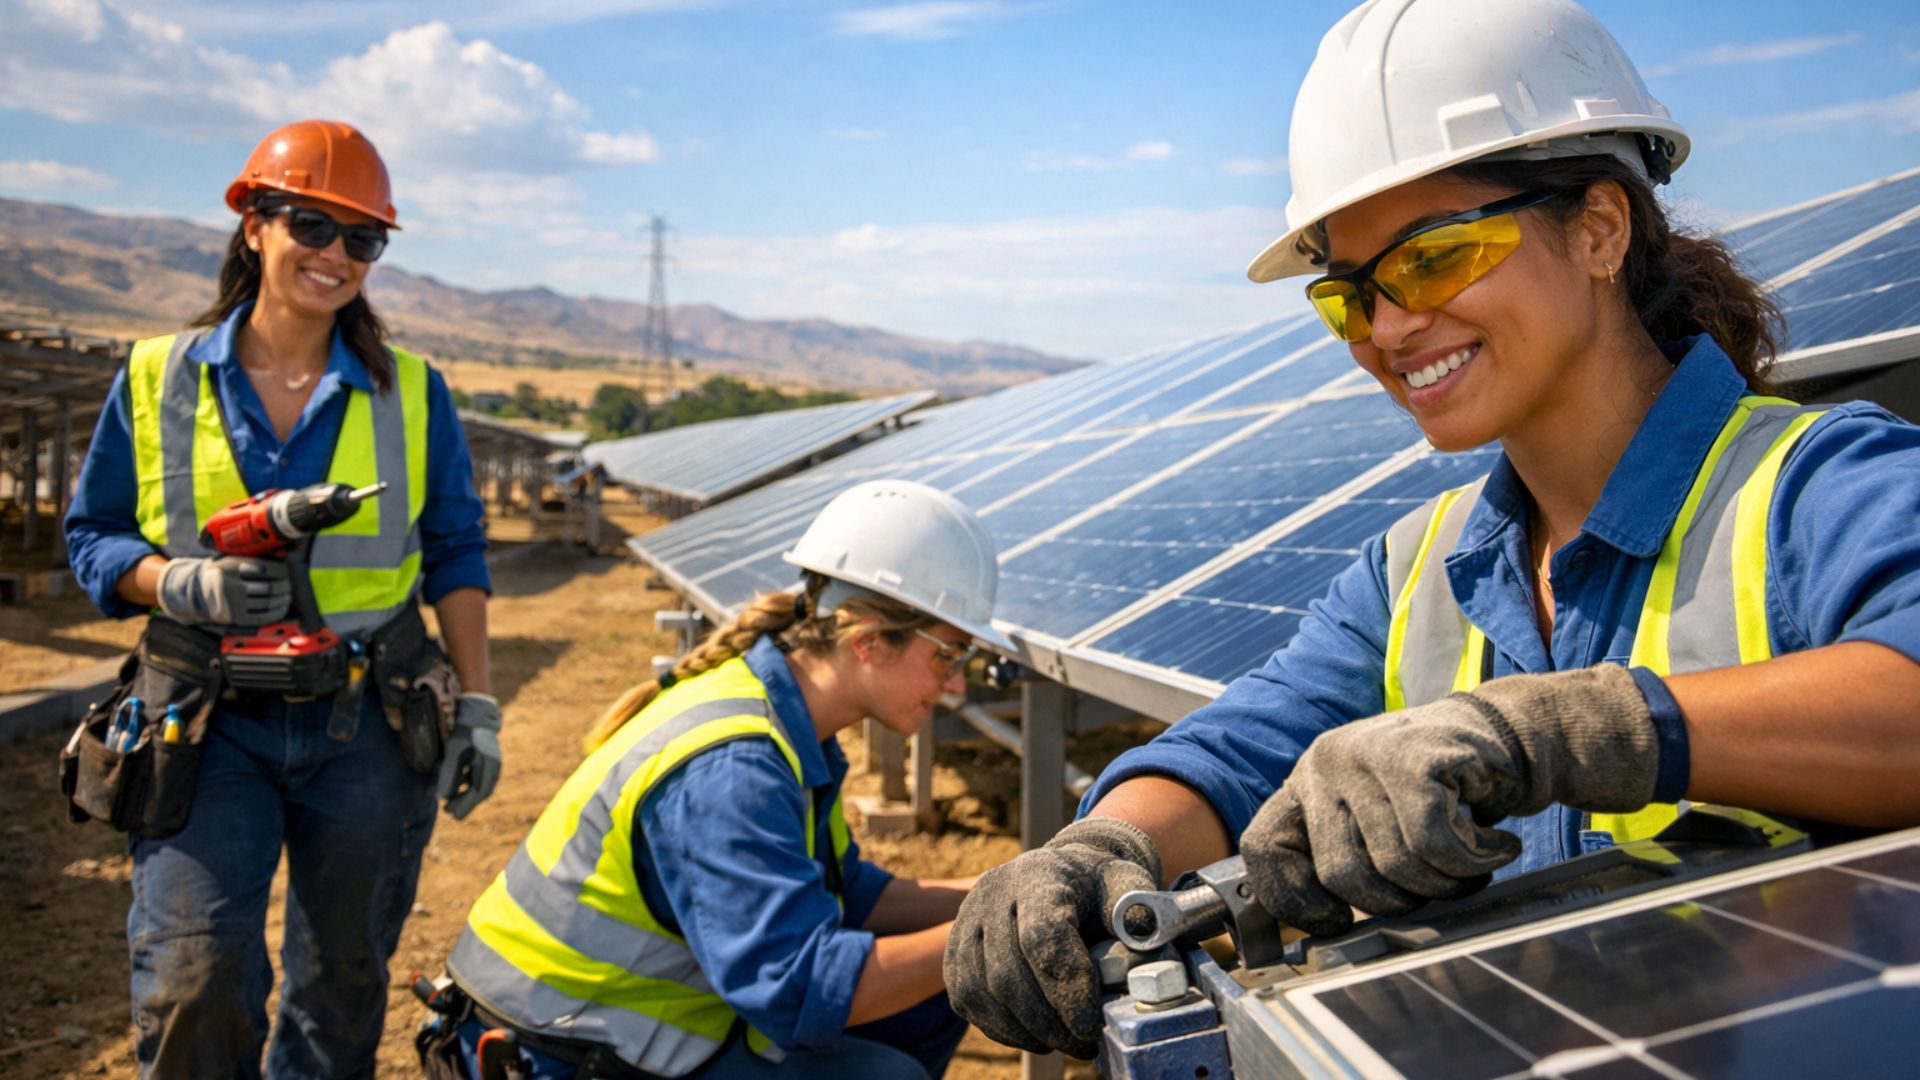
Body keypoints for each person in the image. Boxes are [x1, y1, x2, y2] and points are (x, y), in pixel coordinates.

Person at [943, 0, 1920, 1059]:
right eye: (1351, 296)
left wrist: (1561, 732)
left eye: (1435, 259)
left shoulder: (1820, 483)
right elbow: (1243, 747)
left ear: (1599, 227)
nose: (1390, 329)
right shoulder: (1419, 567)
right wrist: (1109, 843)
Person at [63, 119, 501, 1077]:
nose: (336, 255)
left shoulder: (413, 393)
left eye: (363, 239)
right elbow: (92, 538)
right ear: (253, 223)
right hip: (201, 720)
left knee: (340, 988)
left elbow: (457, 552)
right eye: (312, 223)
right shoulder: (155, 376)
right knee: (198, 973)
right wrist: (173, 580)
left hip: (369, 724)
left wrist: (477, 706)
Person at [435, 480, 1009, 1079]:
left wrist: (1006, 889)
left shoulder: (787, 725)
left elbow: (853, 896)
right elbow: (798, 988)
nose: (956, 686)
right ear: (866, 642)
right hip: (560, 1051)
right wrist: (983, 938)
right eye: (949, 655)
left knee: (932, 997)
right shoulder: (735, 767)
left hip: (618, 1025)